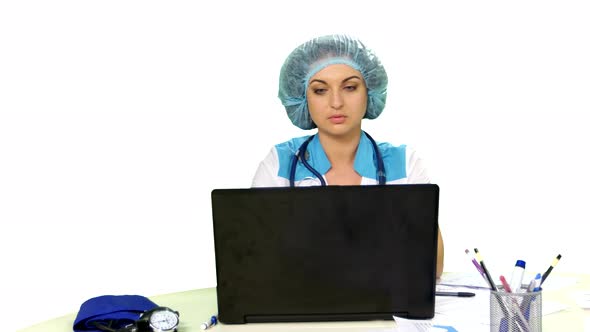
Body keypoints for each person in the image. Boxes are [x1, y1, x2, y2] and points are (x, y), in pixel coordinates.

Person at [251, 34, 444, 278]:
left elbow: (432, 266)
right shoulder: (280, 162)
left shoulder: (404, 163)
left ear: (369, 91)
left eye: (350, 87)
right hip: (301, 305)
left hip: (386, 307)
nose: (336, 102)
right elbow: (255, 257)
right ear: (302, 97)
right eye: (320, 90)